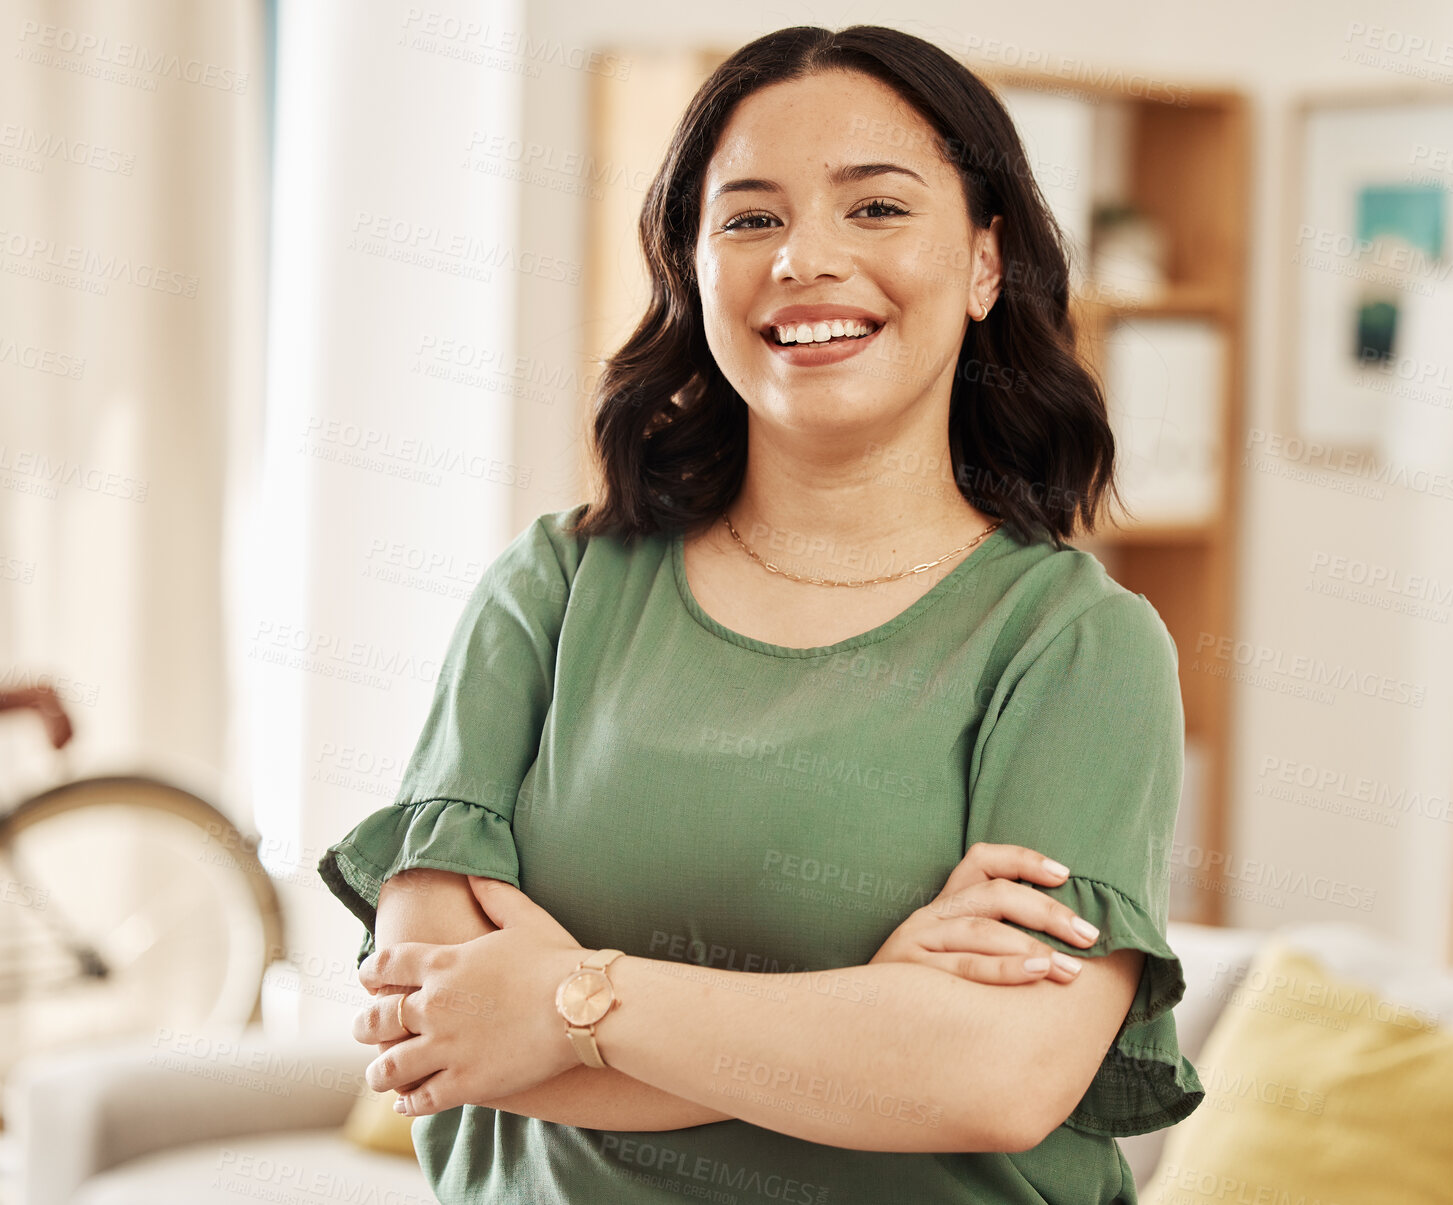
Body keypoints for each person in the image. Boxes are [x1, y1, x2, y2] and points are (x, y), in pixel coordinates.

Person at [318, 23, 1204, 1204]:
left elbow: (993, 1075)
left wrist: (567, 998)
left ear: (986, 262)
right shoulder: (554, 590)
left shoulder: (1076, 645)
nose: (805, 260)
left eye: (876, 208)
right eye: (749, 218)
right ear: (692, 269)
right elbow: (437, 1026)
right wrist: (865, 1017)